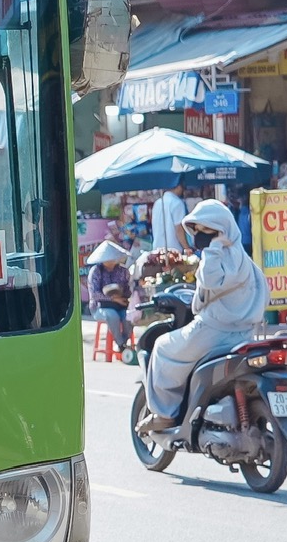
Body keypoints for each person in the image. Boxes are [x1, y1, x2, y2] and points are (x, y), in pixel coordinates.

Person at [139, 197, 268, 433]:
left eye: (206, 229)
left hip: (211, 333)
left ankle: (164, 414)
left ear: (221, 230)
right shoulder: (248, 262)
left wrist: (214, 247)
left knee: (162, 347)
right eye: (196, 229)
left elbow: (210, 280)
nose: (200, 235)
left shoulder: (215, 254)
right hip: (246, 334)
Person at [84, 240, 134, 358]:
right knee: (112, 316)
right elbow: (94, 294)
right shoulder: (95, 271)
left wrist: (124, 297)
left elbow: (128, 290)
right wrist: (113, 299)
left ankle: (123, 342)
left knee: (130, 316)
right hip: (99, 308)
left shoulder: (123, 271)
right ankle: (121, 345)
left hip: (121, 305)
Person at [151, 182, 190, 253]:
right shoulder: (177, 203)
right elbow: (179, 229)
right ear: (178, 187)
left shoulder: (157, 203)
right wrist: (187, 248)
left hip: (157, 249)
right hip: (174, 250)